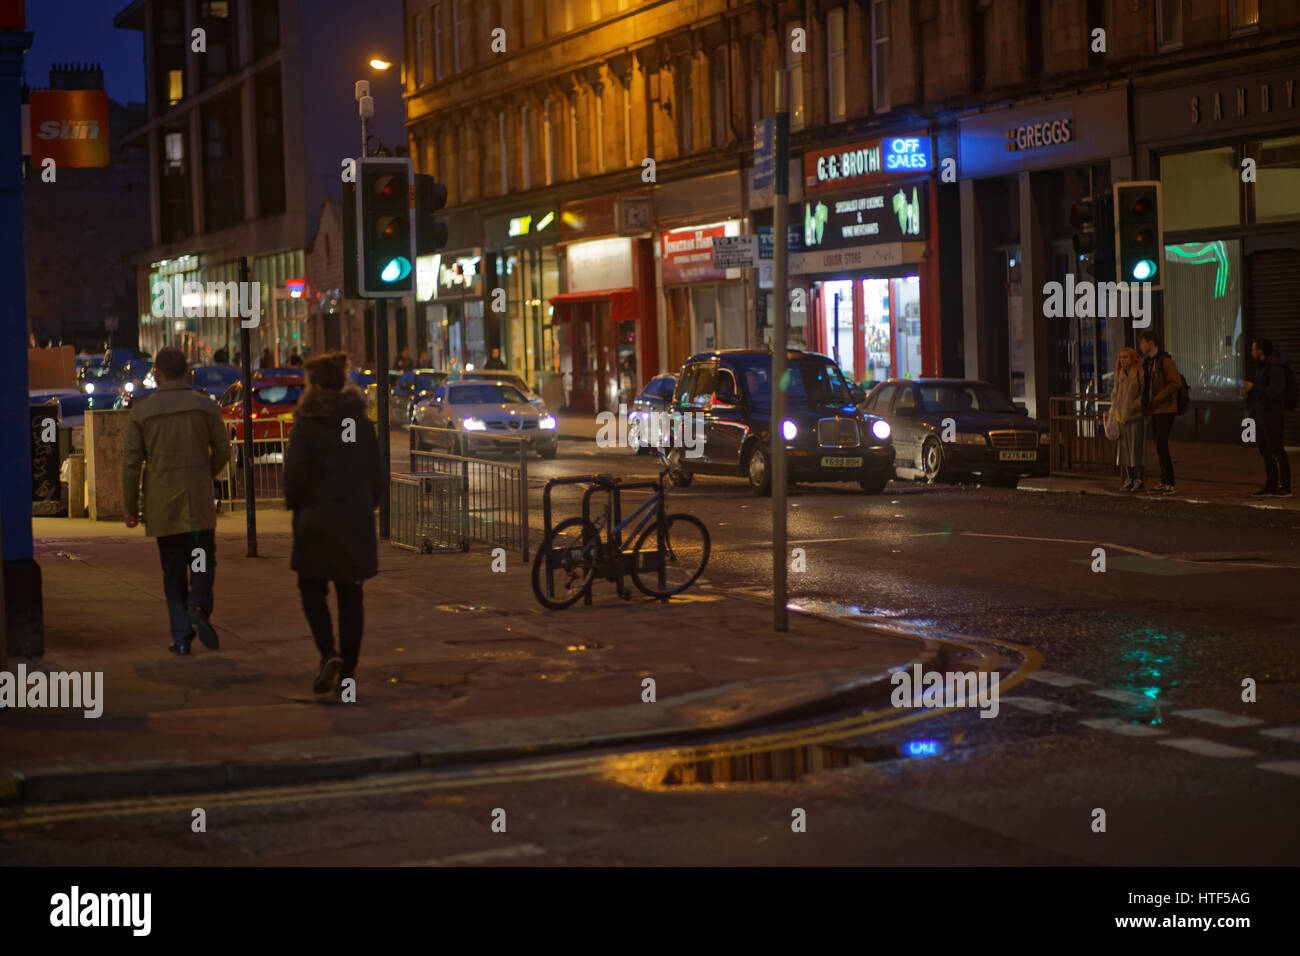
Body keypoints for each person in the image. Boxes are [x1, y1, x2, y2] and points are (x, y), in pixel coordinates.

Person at [284, 352, 383, 696]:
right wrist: (366, 504)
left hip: (316, 518)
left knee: (311, 589)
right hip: (353, 518)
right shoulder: (357, 420)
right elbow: (375, 471)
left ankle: (328, 653)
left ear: (314, 384)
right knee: (351, 594)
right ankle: (349, 673)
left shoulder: (308, 422)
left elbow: (294, 475)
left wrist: (295, 504)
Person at [122, 347, 232, 655]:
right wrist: (204, 475)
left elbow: (131, 463)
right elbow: (223, 451)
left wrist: (130, 506)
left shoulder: (143, 411)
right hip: (197, 503)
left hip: (162, 505)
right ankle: (199, 603)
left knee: (172, 572)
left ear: (157, 373)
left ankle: (182, 636)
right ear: (187, 372)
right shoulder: (205, 407)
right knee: (201, 559)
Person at [1241, 338, 1292, 498]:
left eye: (1253, 349)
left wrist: (1254, 387)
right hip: (1262, 415)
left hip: (1273, 415)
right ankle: (1271, 484)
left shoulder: (1275, 368)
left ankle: (1285, 486)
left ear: (1260, 351)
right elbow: (1260, 390)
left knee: (1277, 450)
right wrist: (1249, 390)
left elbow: (1277, 392)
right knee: (1264, 449)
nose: (1251, 352)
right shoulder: (1262, 367)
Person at [1138, 330, 1182, 495]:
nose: (1140, 346)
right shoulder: (1148, 362)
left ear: (1150, 343)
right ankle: (1164, 481)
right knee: (1158, 445)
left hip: (1165, 408)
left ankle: (1170, 482)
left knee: (1161, 444)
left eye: (1142, 342)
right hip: (1155, 409)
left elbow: (1175, 383)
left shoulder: (1164, 360)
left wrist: (1157, 397)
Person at [1110, 347, 1146, 492]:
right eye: (1120, 358)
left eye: (1125, 357)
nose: (1122, 360)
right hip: (1122, 418)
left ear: (1132, 359)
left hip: (1135, 417)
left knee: (1136, 449)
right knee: (1124, 450)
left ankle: (1139, 479)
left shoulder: (1139, 373)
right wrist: (1116, 407)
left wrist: (1134, 406)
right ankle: (1128, 478)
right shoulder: (1119, 374)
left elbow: (1143, 394)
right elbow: (1115, 393)